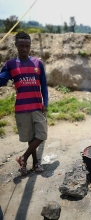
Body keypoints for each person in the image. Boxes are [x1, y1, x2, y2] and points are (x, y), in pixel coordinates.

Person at [0, 31, 48, 176]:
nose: (24, 49)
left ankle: (23, 158)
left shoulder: (37, 63)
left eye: (27, 46)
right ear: (16, 45)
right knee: (30, 137)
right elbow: (2, 81)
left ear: (30, 46)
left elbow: (44, 85)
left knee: (42, 134)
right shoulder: (11, 64)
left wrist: (45, 102)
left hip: (37, 106)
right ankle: (34, 164)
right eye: (21, 45)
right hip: (21, 108)